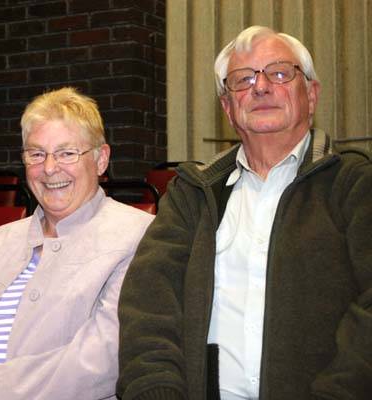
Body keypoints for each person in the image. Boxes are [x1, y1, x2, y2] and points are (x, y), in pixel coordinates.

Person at [117, 25, 372, 400]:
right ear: (227, 107)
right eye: (242, 79)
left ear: (312, 95)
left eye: (280, 73)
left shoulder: (355, 184)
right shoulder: (192, 193)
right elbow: (148, 305)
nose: (261, 86)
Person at [0, 87, 154, 400]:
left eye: (67, 153)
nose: (50, 168)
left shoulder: (139, 235)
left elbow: (106, 355)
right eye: (36, 154)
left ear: (101, 159)